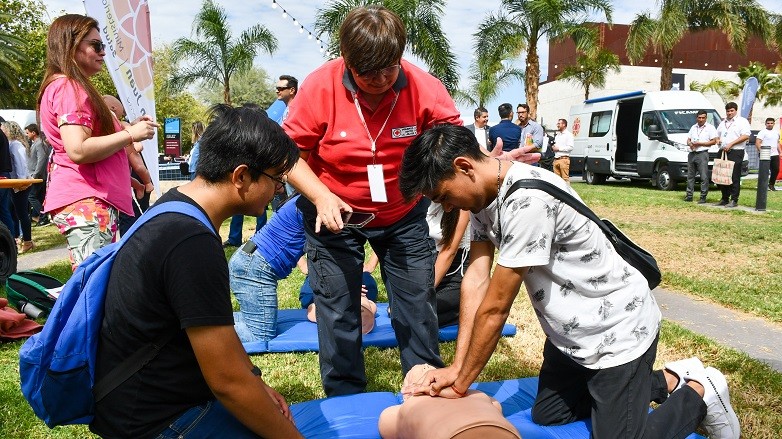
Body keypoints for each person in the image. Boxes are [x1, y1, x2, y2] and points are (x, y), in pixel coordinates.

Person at [399, 124, 740, 439]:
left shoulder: (527, 201)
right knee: (549, 415)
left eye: (443, 195)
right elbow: (475, 279)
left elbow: (495, 308)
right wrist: (458, 367)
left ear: (464, 167)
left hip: (614, 331)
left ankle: (699, 392)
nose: (445, 207)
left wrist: (461, 383)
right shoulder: (482, 198)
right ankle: (665, 379)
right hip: (571, 335)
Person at [92, 103, 303, 439]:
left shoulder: (175, 204)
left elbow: (218, 335)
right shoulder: (191, 242)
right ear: (241, 176)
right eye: (277, 179)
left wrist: (255, 380)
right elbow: (227, 383)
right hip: (155, 420)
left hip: (134, 402)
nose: (279, 190)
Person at [283, 5, 460, 396]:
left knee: (417, 303)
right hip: (334, 216)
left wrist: (481, 163)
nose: (380, 80)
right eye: (368, 73)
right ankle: (345, 394)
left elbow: (452, 144)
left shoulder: (425, 88)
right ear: (347, 61)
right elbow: (285, 154)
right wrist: (320, 194)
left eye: (390, 69)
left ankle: (424, 385)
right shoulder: (318, 87)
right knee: (338, 309)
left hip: (402, 214)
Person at [37, 14, 158, 270]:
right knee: (91, 286)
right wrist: (131, 134)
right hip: (86, 201)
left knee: (95, 283)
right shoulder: (69, 87)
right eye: (96, 45)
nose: (103, 52)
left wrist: (124, 178)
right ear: (71, 45)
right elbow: (78, 150)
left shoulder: (69, 87)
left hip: (90, 200)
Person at [379, 363, 521, 439]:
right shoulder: (478, 395)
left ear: (408, 393)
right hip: (501, 432)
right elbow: (496, 406)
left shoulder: (408, 408)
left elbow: (386, 424)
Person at [426, 203, 470, 327]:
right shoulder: (423, 198)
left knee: (418, 312)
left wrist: (423, 292)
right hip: (429, 265)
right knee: (401, 308)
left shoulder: (461, 204)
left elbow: (449, 252)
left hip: (455, 270)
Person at [1, 121, 33, 253]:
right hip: (16, 183)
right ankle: (20, 239)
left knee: (21, 213)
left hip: (20, 184)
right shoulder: (12, 144)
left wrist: (20, 183)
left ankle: (26, 241)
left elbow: (21, 165)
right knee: (14, 212)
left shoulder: (15, 145)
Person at [714, 102, 750, 208]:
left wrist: (731, 144)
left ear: (736, 111)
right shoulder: (723, 122)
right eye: (728, 111)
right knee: (722, 175)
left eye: (731, 111)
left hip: (735, 151)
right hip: (723, 151)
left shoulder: (742, 122)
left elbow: (745, 136)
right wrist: (718, 140)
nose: (729, 113)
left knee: (734, 176)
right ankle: (724, 198)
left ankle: (734, 199)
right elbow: (717, 135)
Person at [685, 110, 718, 203]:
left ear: (706, 118)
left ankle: (703, 197)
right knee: (690, 176)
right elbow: (688, 139)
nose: (701, 119)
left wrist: (701, 143)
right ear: (697, 118)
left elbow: (714, 141)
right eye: (699, 117)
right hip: (692, 153)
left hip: (702, 153)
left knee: (704, 176)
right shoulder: (693, 127)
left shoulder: (710, 128)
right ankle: (689, 195)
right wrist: (690, 143)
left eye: (703, 118)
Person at [24, 123, 50, 226]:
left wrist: (35, 175)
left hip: (38, 176)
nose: (26, 135)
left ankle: (43, 216)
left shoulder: (39, 143)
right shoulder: (35, 143)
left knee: (31, 197)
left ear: (33, 133)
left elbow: (41, 160)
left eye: (27, 133)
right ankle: (41, 217)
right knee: (39, 197)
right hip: (37, 175)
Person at [756, 117, 780, 191]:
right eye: (768, 123)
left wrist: (780, 152)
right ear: (765, 124)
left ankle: (771, 184)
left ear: (774, 124)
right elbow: (757, 143)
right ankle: (762, 185)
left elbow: (777, 143)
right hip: (765, 154)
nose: (769, 124)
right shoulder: (762, 132)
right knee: (764, 171)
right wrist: (761, 152)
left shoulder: (776, 132)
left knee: (776, 170)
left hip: (775, 154)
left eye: (771, 123)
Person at [0, 116, 15, 236]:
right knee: (4, 210)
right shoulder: (2, 135)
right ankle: (12, 239)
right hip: (4, 174)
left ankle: (10, 239)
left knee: (4, 210)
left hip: (2, 176)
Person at [551, 118, 574, 183]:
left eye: (559, 124)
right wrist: (553, 147)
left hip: (564, 159)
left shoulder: (569, 135)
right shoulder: (557, 135)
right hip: (556, 159)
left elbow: (570, 147)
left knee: (565, 179)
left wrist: (559, 148)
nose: (557, 125)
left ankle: (567, 192)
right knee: (557, 181)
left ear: (564, 124)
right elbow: (555, 146)